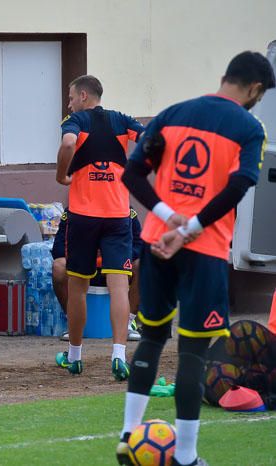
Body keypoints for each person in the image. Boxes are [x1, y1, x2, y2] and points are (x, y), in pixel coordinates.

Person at [115, 51, 275, 466]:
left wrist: (167, 218)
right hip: (203, 251)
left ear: (225, 76)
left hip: (155, 243)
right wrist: (189, 228)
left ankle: (126, 440)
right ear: (256, 89)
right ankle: (185, 457)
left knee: (150, 338)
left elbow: (131, 174)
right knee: (192, 354)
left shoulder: (172, 113)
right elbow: (240, 185)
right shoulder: (248, 127)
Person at [54, 75, 145, 380]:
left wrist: (62, 174)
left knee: (78, 287)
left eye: (70, 97)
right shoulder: (122, 120)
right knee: (119, 285)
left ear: (83, 96)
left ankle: (75, 356)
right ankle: (118, 355)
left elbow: (68, 142)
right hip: (119, 214)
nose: (68, 103)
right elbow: (150, 141)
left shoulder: (76, 120)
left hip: (83, 216)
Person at [52, 207, 144, 341]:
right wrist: (86, 253)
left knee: (142, 265)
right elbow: (58, 249)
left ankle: (128, 323)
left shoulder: (125, 209)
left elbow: (139, 246)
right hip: (82, 268)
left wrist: (114, 256)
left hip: (116, 268)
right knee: (59, 267)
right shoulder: (74, 210)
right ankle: (73, 324)